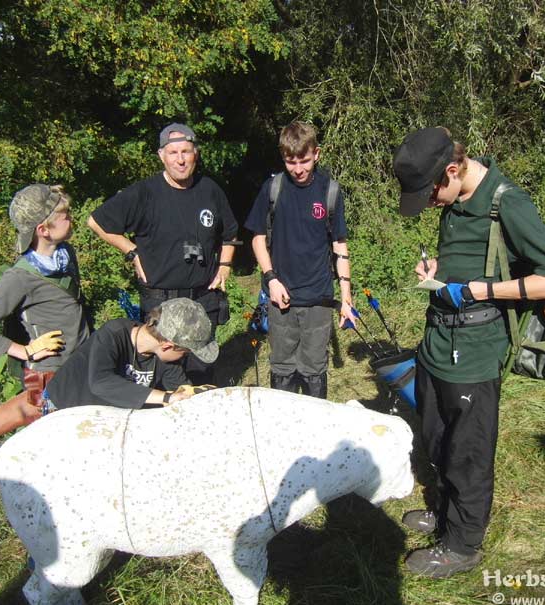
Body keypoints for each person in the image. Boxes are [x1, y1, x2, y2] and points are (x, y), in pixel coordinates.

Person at [393, 127, 545, 578]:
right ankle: (444, 511)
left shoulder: (507, 203)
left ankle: (462, 544)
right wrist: (437, 267)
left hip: (475, 351)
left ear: (452, 171)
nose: (431, 204)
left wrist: (484, 290)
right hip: (437, 342)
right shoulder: (455, 200)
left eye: (430, 194)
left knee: (468, 451)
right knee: (437, 438)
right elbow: (466, 255)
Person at [87, 123, 238, 384]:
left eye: (186, 152)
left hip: (202, 300)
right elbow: (96, 222)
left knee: (201, 374)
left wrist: (225, 265)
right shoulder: (144, 193)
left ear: (196, 153)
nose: (180, 160)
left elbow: (230, 233)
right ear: (161, 156)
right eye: (173, 153)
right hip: (160, 303)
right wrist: (131, 252)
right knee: (163, 379)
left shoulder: (210, 190)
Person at [0, 183, 91, 445]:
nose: (71, 218)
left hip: (83, 364)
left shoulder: (66, 253)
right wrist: (25, 352)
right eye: (64, 215)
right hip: (50, 375)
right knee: (59, 446)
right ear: (43, 230)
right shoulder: (19, 277)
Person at [244, 121, 355, 398]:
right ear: (283, 158)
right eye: (290, 161)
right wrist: (271, 280)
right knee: (282, 368)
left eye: (304, 161)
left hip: (318, 297)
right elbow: (257, 238)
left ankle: (316, 431)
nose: (298, 169)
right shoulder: (273, 188)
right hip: (281, 296)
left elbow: (339, 243)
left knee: (314, 368)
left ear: (316, 154)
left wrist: (346, 299)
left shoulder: (330, 191)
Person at [43, 298, 218, 411]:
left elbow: (181, 389)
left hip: (105, 416)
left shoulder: (165, 359)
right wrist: (166, 397)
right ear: (167, 345)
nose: (185, 358)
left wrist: (196, 396)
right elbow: (101, 383)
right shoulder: (112, 334)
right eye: (186, 352)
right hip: (63, 409)